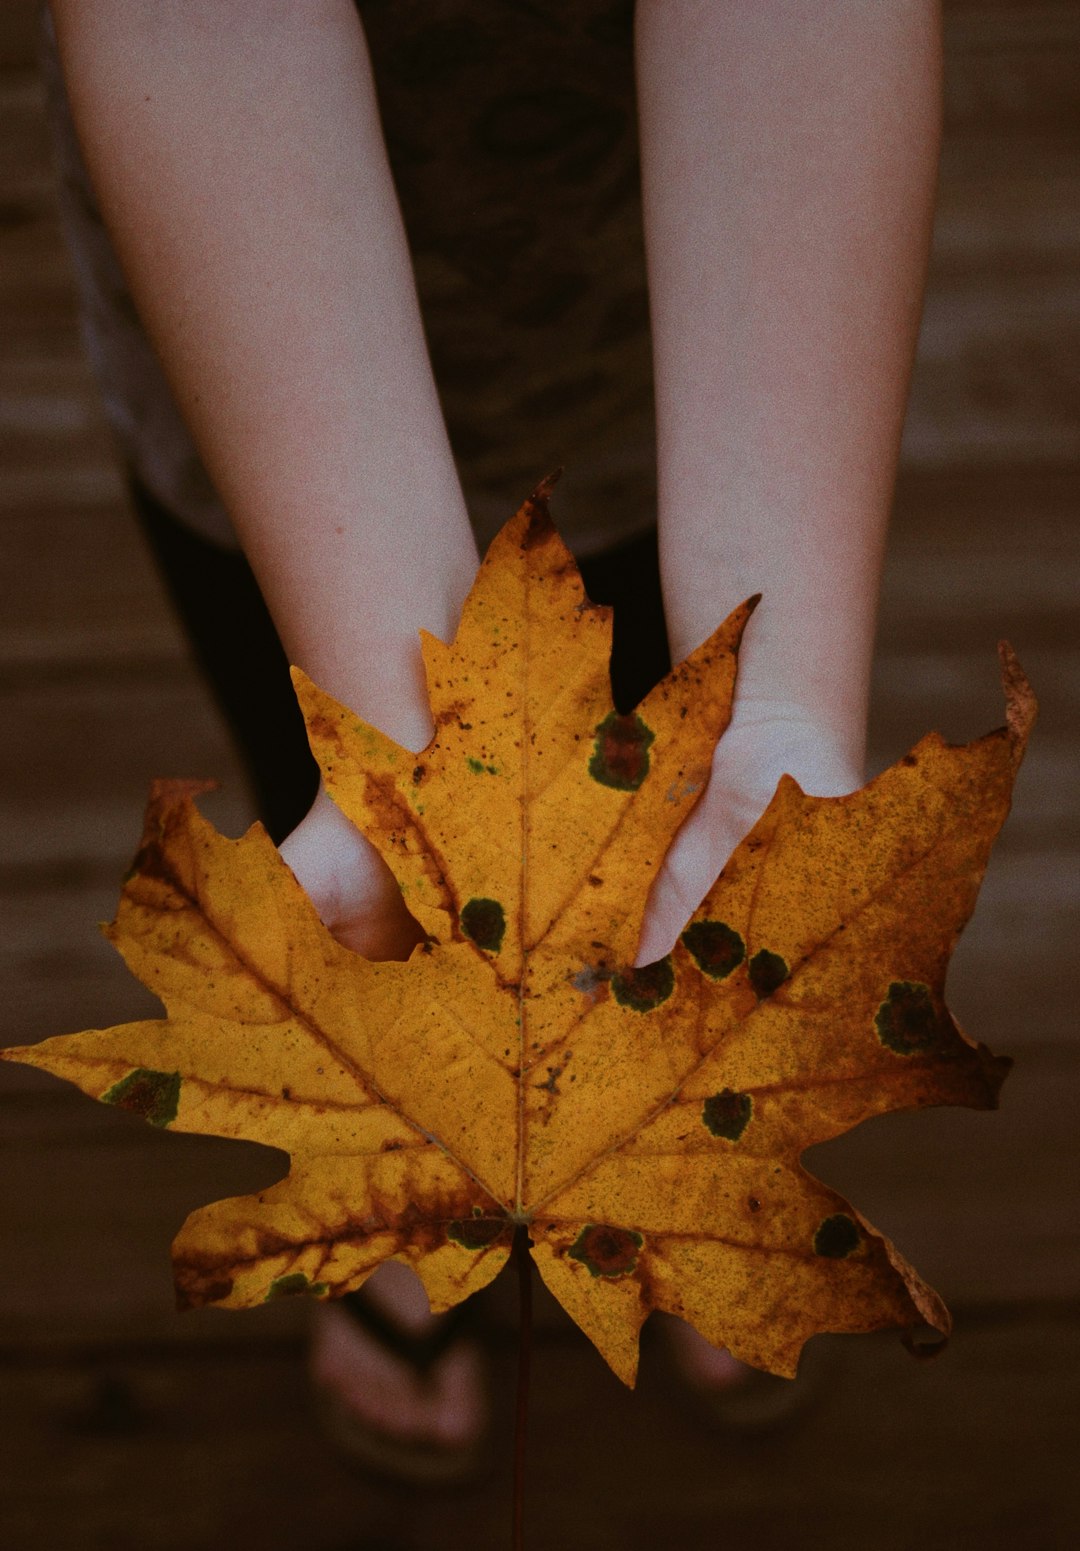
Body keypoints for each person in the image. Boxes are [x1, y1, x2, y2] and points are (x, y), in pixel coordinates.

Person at [44, 0, 943, 1476]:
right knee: (352, 827)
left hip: (686, 309)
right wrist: (395, 755)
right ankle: (423, 1191)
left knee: (678, 792)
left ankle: (682, 1153)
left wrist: (770, 707)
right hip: (259, 310)